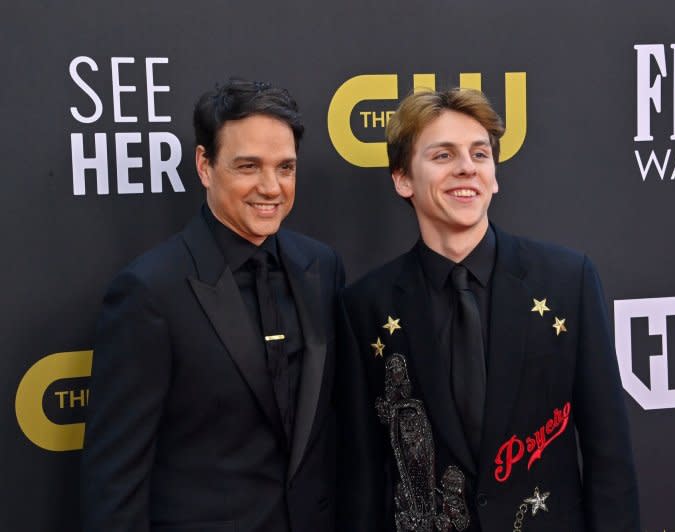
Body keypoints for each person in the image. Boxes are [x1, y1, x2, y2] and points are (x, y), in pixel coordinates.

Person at [337, 88, 639, 531]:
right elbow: (363, 475)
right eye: (443, 155)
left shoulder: (567, 280)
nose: (466, 167)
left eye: (479, 154)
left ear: (494, 175)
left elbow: (608, 452)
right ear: (403, 179)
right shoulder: (365, 305)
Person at [80, 79, 344, 532]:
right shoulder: (148, 293)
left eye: (285, 167)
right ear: (205, 165)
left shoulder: (321, 268)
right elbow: (115, 486)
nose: (271, 187)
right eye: (248, 166)